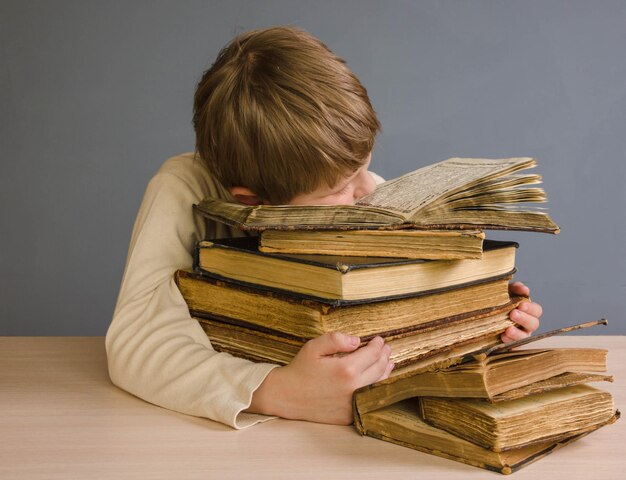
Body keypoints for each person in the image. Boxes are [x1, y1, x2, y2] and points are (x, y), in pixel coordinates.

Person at [106, 26, 542, 429]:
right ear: (251, 200)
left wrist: (476, 319)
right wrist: (278, 392)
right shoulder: (183, 187)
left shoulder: (363, 191)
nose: (366, 190)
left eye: (364, 166)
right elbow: (137, 344)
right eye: (339, 189)